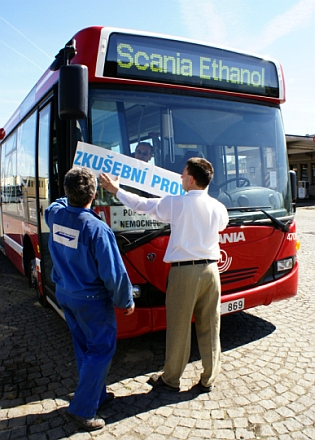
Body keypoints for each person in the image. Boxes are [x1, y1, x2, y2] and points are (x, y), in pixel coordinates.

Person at [99, 157, 229, 394]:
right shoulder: (218, 207)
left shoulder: (176, 203)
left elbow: (142, 204)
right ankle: (209, 378)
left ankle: (171, 379)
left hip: (184, 272)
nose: (180, 177)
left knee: (179, 327)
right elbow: (221, 226)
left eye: (182, 173)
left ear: (190, 179)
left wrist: (115, 189)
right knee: (211, 326)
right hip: (211, 271)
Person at [45, 167, 135, 431]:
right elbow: (114, 274)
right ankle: (83, 409)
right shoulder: (97, 228)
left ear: (67, 192)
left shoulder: (56, 215)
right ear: (94, 194)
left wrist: (71, 188)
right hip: (92, 300)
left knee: (83, 346)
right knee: (101, 349)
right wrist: (126, 300)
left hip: (65, 294)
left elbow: (57, 203)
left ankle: (95, 393)